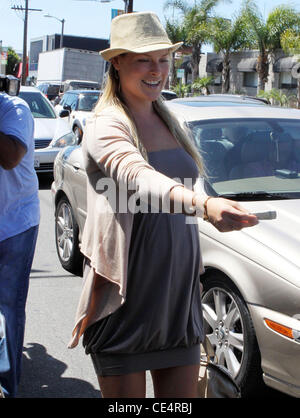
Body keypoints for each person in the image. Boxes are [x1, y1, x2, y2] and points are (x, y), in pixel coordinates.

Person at [68, 11, 258, 398]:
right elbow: (138, 176)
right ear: (117, 63)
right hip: (125, 303)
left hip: (177, 304)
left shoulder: (171, 121)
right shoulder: (106, 124)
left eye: (163, 59)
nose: (157, 70)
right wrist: (203, 205)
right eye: (143, 59)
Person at [0, 90, 40, 397]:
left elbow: (10, 157)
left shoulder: (16, 109)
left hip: (14, 224)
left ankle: (6, 387)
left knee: (7, 308)